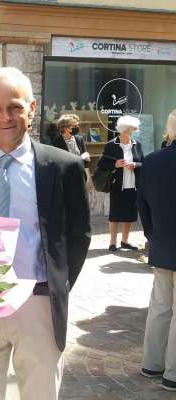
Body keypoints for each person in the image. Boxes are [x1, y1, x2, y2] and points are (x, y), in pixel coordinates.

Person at [0, 67, 91, 400]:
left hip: (37, 302)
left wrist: (55, 285)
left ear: (32, 109)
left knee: (39, 392)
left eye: (15, 106)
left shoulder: (63, 166)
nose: (6, 116)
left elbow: (79, 235)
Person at [137, 135, 176, 392]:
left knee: (160, 306)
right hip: (162, 241)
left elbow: (143, 206)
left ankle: (152, 363)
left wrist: (154, 236)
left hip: (162, 243)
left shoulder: (151, 161)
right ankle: (172, 374)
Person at [97, 115, 144, 252]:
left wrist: (136, 164)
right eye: (133, 128)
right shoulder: (111, 145)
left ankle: (125, 241)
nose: (135, 130)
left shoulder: (137, 144)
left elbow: (144, 162)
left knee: (129, 214)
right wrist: (115, 164)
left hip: (133, 185)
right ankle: (112, 242)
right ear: (125, 129)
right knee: (115, 215)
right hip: (117, 185)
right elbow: (102, 164)